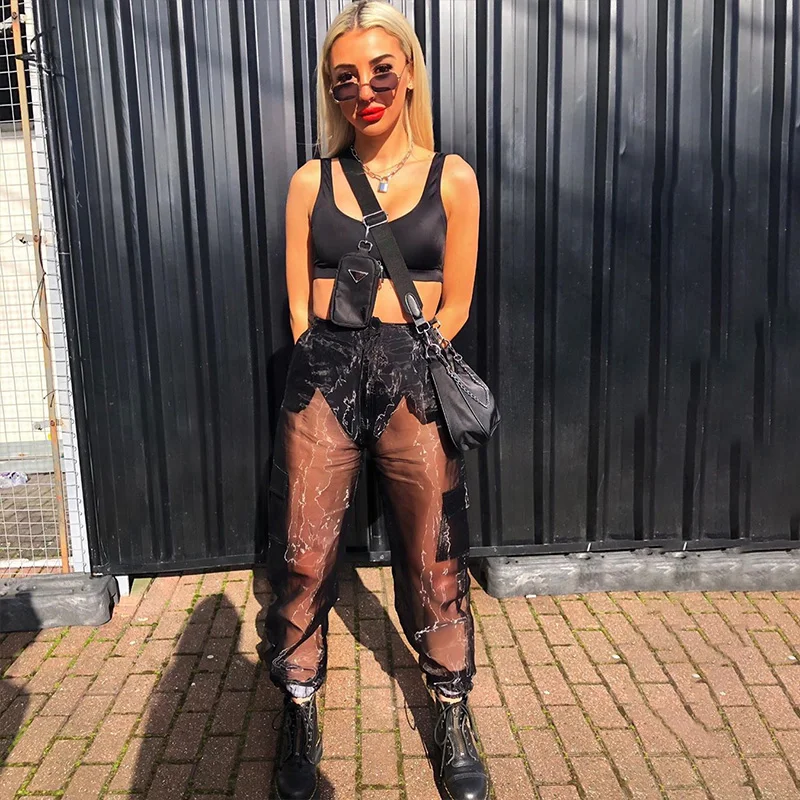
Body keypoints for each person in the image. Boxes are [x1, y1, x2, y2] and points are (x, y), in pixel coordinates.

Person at [263, 2, 486, 798]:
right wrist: (323, 350)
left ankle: (451, 707)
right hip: (325, 370)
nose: (365, 91)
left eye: (381, 72)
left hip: (412, 373)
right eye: (345, 78)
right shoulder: (311, 181)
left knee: (434, 549)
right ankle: (298, 704)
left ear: (410, 73)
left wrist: (411, 359)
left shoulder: (452, 177)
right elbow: (298, 301)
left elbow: (457, 300)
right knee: (303, 549)